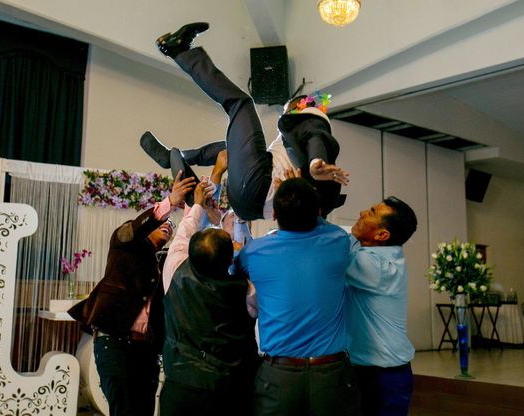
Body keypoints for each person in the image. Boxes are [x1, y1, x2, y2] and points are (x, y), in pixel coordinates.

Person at [146, 22, 349, 221]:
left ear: (299, 108)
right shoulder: (298, 141)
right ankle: (178, 157)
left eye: (287, 110)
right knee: (232, 147)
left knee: (240, 104)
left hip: (259, 187)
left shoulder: (311, 117)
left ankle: (180, 50)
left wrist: (315, 162)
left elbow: (316, 137)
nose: (283, 116)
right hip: (251, 207)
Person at [68, 172, 196, 416]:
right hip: (115, 343)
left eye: (171, 225)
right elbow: (135, 229)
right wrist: (170, 201)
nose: (169, 226)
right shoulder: (124, 243)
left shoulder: (167, 262)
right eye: (164, 222)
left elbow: (187, 241)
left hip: (147, 350)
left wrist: (194, 206)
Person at [235, 177, 356, 416]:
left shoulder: (255, 252)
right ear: (319, 212)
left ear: (273, 216)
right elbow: (322, 224)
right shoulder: (338, 241)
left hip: (279, 377)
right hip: (331, 376)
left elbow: (235, 268)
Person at [160, 181, 259, 416]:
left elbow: (184, 233)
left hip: (181, 386)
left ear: (190, 253)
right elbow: (253, 260)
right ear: (229, 260)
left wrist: (198, 206)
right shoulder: (248, 291)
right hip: (229, 391)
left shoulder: (175, 271)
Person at [345, 196, 418, 416]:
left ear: (382, 235)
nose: (362, 213)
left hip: (384, 378)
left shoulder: (379, 267)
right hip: (368, 371)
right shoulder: (372, 253)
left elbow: (331, 248)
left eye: (372, 213)